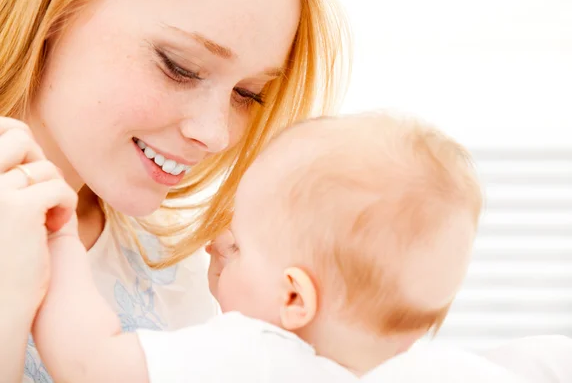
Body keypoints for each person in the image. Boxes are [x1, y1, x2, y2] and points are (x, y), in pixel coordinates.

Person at [0, 0, 350, 381]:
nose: (216, 134)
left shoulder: (174, 276)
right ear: (54, 7)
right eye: (179, 67)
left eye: (247, 94)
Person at [32, 113, 486, 382]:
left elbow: (88, 362)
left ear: (294, 298)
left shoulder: (251, 353)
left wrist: (60, 234)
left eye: (241, 244)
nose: (215, 244)